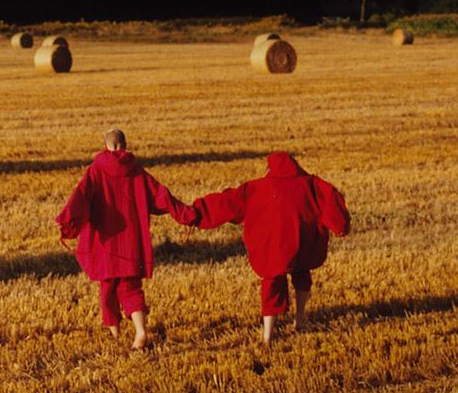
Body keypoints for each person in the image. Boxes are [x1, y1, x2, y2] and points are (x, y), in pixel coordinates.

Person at [56, 129, 196, 349]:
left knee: (108, 289)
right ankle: (140, 332)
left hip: (105, 243)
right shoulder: (137, 170)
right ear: (124, 145)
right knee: (131, 288)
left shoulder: (95, 171)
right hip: (132, 241)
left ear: (107, 146)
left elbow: (80, 198)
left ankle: (116, 334)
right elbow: (161, 194)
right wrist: (184, 213)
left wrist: (67, 223)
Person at [193, 152, 350, 343]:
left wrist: (197, 213)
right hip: (303, 243)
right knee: (302, 275)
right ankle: (300, 319)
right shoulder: (312, 184)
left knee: (272, 284)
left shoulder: (256, 188)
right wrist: (340, 226)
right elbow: (332, 200)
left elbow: (227, 202)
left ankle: (268, 335)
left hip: (274, 247)